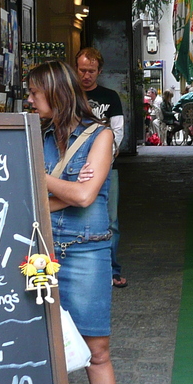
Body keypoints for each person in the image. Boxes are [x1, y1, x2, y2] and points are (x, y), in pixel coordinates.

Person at [27, 61, 122, 384]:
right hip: (40, 253)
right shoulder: (38, 134)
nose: (30, 99)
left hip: (85, 253)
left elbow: (84, 196)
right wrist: (62, 188)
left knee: (97, 353)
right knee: (39, 347)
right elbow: (31, 198)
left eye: (35, 92)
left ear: (56, 92)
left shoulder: (100, 136)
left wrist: (40, 177)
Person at [75, 48, 128, 289]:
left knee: (111, 220)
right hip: (73, 165)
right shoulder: (69, 95)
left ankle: (112, 268)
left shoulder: (110, 97)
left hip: (105, 165)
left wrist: (107, 156)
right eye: (82, 70)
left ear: (100, 71)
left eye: (91, 71)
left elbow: (118, 131)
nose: (86, 75)